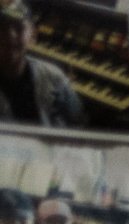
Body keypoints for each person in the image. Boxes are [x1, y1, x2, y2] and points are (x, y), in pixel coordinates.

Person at [0, 0, 85, 128]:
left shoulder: (54, 76)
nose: (10, 35)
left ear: (33, 35)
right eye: (2, 28)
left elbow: (78, 123)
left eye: (19, 27)